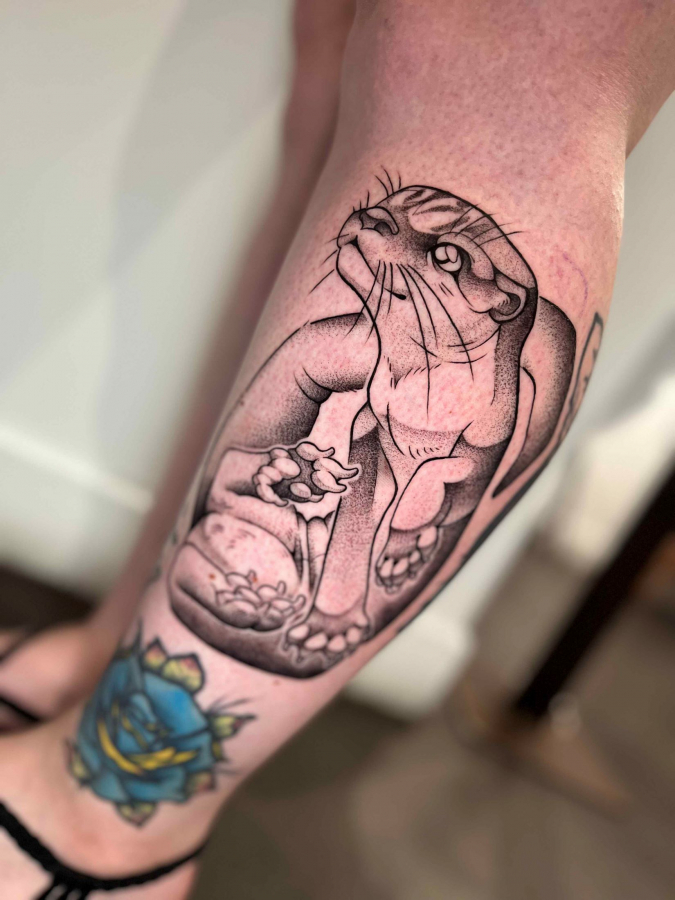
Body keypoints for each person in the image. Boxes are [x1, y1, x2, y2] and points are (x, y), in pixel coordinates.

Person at [0, 0, 673, 896]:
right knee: (353, 48)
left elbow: (406, 478)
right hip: (376, 425)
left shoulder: (468, 400)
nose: (387, 237)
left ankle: (104, 819)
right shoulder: (382, 340)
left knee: (518, 40)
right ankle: (109, 659)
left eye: (437, 255)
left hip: (417, 464)